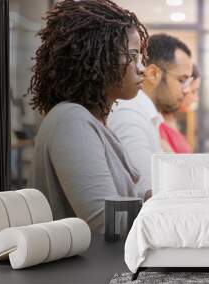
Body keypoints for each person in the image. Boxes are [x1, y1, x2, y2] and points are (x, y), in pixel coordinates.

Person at [28, 0, 148, 233]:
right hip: (83, 268)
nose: (142, 68)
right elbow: (108, 225)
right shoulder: (71, 121)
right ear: (99, 57)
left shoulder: (89, 120)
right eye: (132, 56)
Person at [108, 33, 194, 200]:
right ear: (153, 73)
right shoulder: (130, 114)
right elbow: (147, 191)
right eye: (182, 80)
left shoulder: (148, 117)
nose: (187, 90)